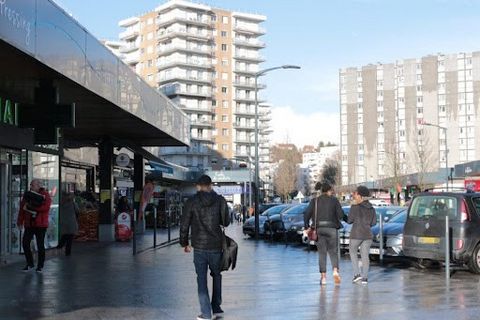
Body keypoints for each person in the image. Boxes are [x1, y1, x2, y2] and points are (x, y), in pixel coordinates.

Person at [180, 175, 230, 320]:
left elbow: (184, 224)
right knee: (217, 275)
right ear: (210, 185)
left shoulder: (192, 201)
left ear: (198, 186)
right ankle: (216, 307)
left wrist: (184, 243)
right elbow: (226, 222)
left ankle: (206, 313)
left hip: (199, 247)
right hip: (216, 245)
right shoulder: (220, 200)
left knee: (201, 279)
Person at [304, 182, 344, 285]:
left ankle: (323, 278)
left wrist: (307, 227)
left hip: (319, 229)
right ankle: (335, 271)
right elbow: (340, 215)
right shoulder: (334, 200)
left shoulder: (315, 201)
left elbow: (306, 214)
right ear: (329, 190)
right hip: (332, 229)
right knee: (333, 252)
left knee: (322, 253)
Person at [17, 179, 52, 273]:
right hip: (29, 223)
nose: (31, 187)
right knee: (25, 242)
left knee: (40, 245)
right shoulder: (28, 195)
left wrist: (33, 208)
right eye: (30, 185)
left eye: (32, 185)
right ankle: (30, 263)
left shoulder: (45, 195)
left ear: (38, 186)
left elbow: (46, 208)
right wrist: (20, 221)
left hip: (40, 224)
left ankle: (40, 266)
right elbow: (22, 209)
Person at [347, 185, 377, 284]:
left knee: (352, 252)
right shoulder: (372, 209)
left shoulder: (355, 207)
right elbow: (373, 223)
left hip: (356, 234)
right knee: (365, 256)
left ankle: (357, 275)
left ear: (360, 196)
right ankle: (365, 278)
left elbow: (349, 220)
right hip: (368, 235)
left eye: (356, 194)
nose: (354, 196)